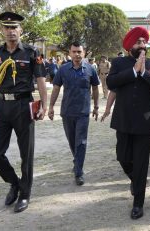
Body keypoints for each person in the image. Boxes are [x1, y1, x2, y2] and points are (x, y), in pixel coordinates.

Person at [0, 12, 47, 213]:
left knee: (26, 153)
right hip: (1, 107)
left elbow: (40, 80)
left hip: (23, 106)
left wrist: (44, 105)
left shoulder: (31, 52)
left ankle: (25, 194)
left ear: (21, 30)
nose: (11, 31)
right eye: (7, 28)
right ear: (2, 30)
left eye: (14, 28)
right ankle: (15, 182)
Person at [106, 27, 150, 219]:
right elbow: (111, 83)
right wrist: (133, 71)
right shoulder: (118, 63)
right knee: (122, 157)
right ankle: (136, 179)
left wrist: (143, 73)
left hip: (144, 122)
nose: (142, 45)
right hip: (123, 119)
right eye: (138, 42)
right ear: (129, 46)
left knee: (141, 163)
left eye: (144, 42)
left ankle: (138, 203)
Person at [48, 41, 100, 186]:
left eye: (79, 52)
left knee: (81, 142)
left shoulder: (90, 69)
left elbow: (95, 88)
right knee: (72, 141)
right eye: (74, 52)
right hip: (67, 112)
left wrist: (96, 106)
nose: (77, 54)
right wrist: (51, 107)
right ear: (70, 53)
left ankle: (79, 172)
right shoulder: (63, 70)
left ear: (83, 53)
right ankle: (77, 161)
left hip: (83, 112)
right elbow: (56, 88)